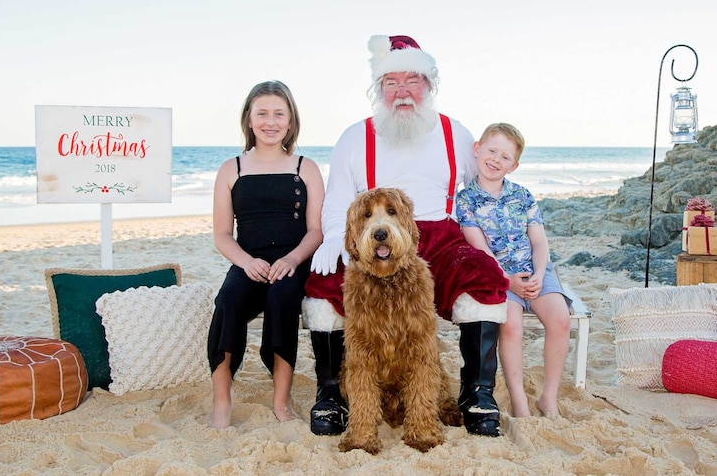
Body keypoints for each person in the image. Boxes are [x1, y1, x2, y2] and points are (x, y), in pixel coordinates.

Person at [302, 35, 510, 438]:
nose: (402, 92)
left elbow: (488, 182)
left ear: (429, 84)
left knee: (483, 276)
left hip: (441, 236)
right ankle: (330, 394)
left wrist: (500, 243)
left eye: (412, 80)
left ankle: (477, 393)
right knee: (322, 284)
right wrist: (333, 239)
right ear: (379, 89)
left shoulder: (457, 133)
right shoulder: (354, 137)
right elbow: (341, 198)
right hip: (374, 236)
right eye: (391, 82)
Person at [207, 81, 324, 429]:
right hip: (249, 260)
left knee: (281, 300)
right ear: (249, 119)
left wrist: (291, 260)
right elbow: (222, 235)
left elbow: (316, 231)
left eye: (278, 114)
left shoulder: (306, 167)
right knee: (227, 302)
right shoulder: (232, 169)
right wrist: (245, 262)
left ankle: (281, 399)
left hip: (294, 262)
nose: (270, 122)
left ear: (290, 121)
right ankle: (222, 402)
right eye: (262, 113)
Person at [455, 123, 572, 418]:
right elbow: (479, 248)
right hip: (498, 277)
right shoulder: (465, 200)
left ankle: (549, 398)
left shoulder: (523, 196)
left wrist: (537, 274)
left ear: (514, 165)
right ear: (477, 149)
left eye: (505, 157)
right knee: (511, 326)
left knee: (560, 319)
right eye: (492, 150)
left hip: (535, 272)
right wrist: (508, 281)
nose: (496, 159)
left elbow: (540, 242)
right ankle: (519, 401)